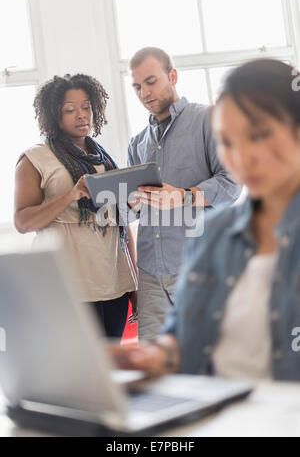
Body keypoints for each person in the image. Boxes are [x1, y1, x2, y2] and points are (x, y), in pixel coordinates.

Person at [110, 59, 300, 381]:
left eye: (258, 134)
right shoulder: (212, 235)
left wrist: (183, 197)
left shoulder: (198, 120)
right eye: (227, 142)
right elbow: (185, 340)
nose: (241, 157)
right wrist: (148, 356)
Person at [127, 47, 242, 341]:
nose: (144, 93)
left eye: (151, 82)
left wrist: (183, 196)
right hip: (151, 274)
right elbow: (129, 210)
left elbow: (232, 182)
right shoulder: (137, 143)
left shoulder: (207, 120)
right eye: (137, 87)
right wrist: (130, 203)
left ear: (172, 76)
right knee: (155, 369)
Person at [14, 74, 138, 340]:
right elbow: (23, 223)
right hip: (69, 288)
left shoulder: (104, 158)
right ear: (53, 115)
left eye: (86, 107)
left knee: (113, 370)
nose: (81, 115)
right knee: (80, 376)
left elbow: (121, 226)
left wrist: (134, 285)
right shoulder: (35, 159)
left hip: (114, 283)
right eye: (69, 110)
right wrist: (71, 195)